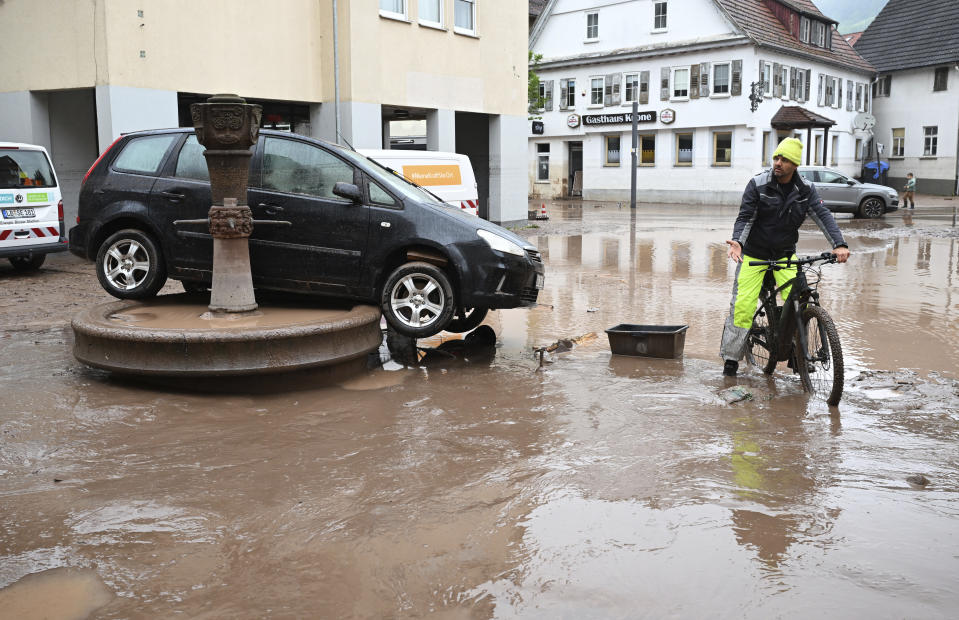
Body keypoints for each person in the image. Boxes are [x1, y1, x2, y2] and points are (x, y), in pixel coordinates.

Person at [720, 137, 850, 377]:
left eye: (784, 159)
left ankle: (796, 355)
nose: (778, 163)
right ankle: (731, 359)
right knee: (743, 306)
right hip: (754, 254)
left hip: (784, 254)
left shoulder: (806, 190)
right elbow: (746, 217)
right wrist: (737, 242)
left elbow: (822, 215)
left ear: (795, 165)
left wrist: (839, 244)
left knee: (799, 301)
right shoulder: (758, 184)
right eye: (776, 158)